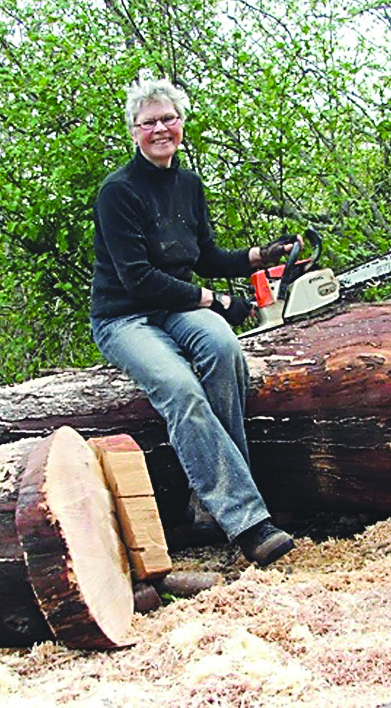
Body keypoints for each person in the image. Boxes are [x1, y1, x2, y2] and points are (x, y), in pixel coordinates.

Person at [89, 79, 297, 567]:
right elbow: (138, 279)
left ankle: (208, 502)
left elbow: (203, 255)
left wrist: (261, 257)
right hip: (125, 317)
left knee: (226, 350)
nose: (161, 129)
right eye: (150, 122)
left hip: (178, 306)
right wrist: (217, 300)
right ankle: (247, 521)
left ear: (181, 124)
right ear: (134, 131)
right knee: (180, 388)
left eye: (168, 119)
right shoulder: (117, 192)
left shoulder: (188, 184)